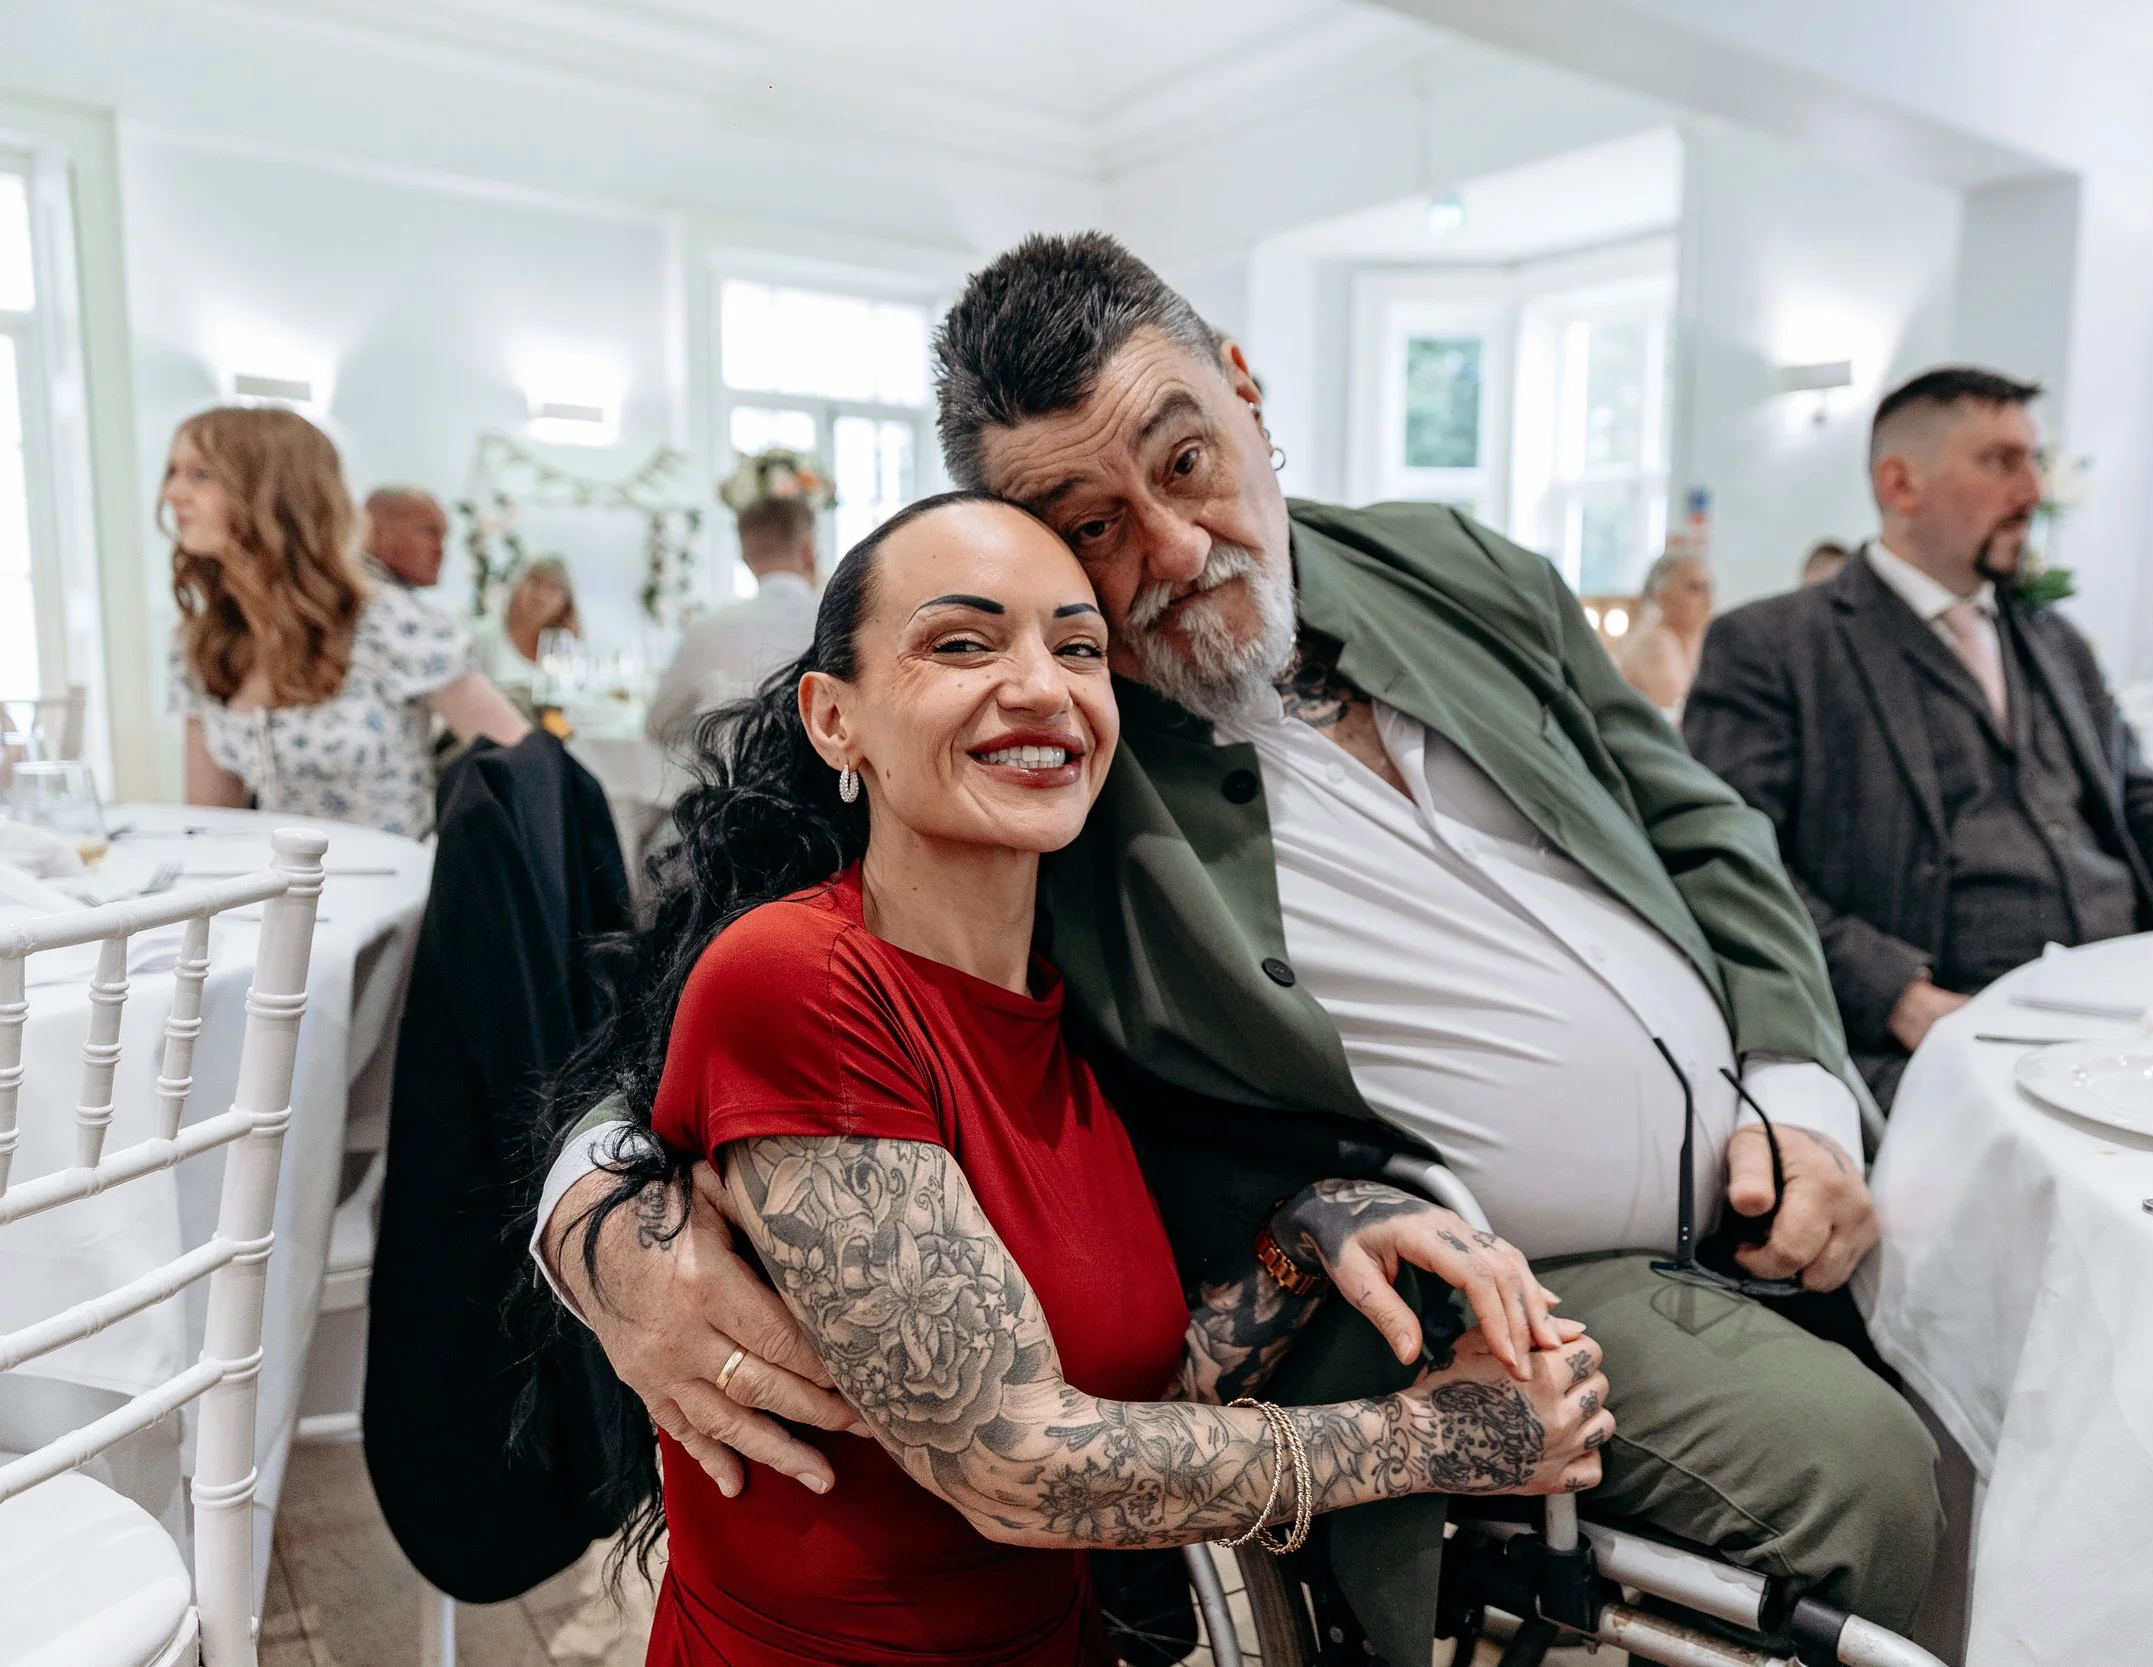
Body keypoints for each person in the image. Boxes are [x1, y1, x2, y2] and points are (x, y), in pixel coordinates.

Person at [539, 232, 1941, 1655]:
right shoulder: (1045, 747)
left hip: (1778, 1156)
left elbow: (1704, 826)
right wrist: (589, 1215)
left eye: (1185, 459)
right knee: (1881, 1483)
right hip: (1478, 1282)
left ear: (1248, 392)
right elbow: (711, 985)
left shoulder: (1451, 563)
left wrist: (1805, 1086)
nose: (1171, 548)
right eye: (1086, 526)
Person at [547, 490, 1609, 1665]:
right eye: (961, 642)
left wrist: (1301, 1238)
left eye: (1077, 647)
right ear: (834, 719)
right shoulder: (799, 979)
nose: (1042, 687)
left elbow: (1132, 1414)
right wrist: (1435, 1441)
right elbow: (1013, 1458)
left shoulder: (1064, 1023)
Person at [1684, 368, 2153, 1109]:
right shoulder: (1778, 646)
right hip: (1948, 1032)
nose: (2033, 492)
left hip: (2131, 1008)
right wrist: (1898, 995)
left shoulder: (2056, 642)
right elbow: (1731, 865)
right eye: (2001, 463)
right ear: (1901, 485)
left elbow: (2141, 811)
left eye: (2034, 461)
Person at [162, 407, 530, 838]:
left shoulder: (388, 624)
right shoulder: (201, 641)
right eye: (173, 473)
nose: (172, 493)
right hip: (275, 893)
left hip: (398, 892)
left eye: (201, 475)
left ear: (274, 493)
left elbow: (528, 769)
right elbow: (213, 826)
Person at [645, 496, 822, 750]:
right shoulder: (840, 620)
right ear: (808, 550)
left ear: (745, 557)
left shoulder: (706, 630)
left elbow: (657, 724)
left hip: (732, 782)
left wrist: (721, 726)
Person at [1610, 548, 1712, 715]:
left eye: (1708, 588)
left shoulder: (1692, 641)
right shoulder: (1655, 644)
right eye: (1694, 588)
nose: (1708, 599)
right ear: (1662, 597)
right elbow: (1687, 711)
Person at [474, 556, 581, 693]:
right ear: (517, 585)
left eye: (553, 588)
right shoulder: (482, 636)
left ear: (565, 603)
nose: (541, 595)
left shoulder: (567, 648)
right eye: (535, 582)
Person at [364, 486, 449, 590]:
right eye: (429, 532)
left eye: (443, 537)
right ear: (377, 532)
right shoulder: (365, 598)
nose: (440, 551)